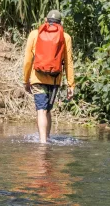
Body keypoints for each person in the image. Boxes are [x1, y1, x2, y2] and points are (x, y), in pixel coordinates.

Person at [23, 10, 75, 143]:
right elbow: (68, 62)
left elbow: (28, 60)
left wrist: (26, 80)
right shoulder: (65, 37)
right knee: (47, 111)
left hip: (37, 79)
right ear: (60, 23)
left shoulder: (35, 34)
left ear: (46, 20)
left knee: (41, 110)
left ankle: (42, 143)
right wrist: (71, 84)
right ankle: (47, 138)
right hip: (54, 80)